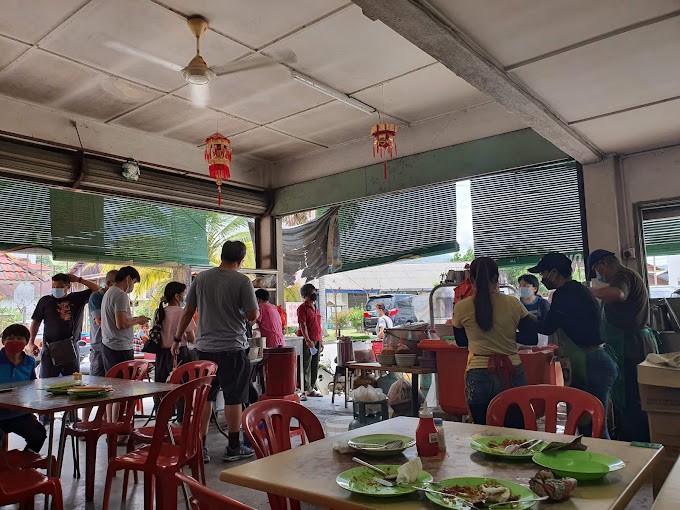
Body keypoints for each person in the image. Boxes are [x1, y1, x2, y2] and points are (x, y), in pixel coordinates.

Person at [174, 241, 258, 463]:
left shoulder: (201, 279)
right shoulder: (242, 281)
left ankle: (200, 448)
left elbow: (188, 311)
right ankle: (233, 447)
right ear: (240, 260)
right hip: (233, 348)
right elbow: (252, 315)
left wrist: (176, 339)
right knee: (234, 398)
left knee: (205, 397)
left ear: (221, 256)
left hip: (204, 351)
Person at [529, 252, 619, 439]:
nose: (542, 278)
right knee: (585, 423)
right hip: (597, 361)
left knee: (593, 427)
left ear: (554, 273)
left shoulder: (564, 294)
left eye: (543, 274)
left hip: (592, 364)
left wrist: (524, 316)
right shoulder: (579, 290)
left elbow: (547, 327)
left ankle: (605, 465)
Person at [452, 257, 537, 426]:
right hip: (512, 371)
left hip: (478, 373)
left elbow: (461, 342)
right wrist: (508, 336)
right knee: (516, 432)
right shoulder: (513, 303)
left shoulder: (461, 307)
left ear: (471, 279)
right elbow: (531, 338)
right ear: (496, 278)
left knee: (483, 432)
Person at [588, 249, 656, 442]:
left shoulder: (622, 276)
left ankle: (637, 441)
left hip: (631, 346)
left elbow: (618, 294)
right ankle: (629, 436)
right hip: (625, 345)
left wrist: (589, 291)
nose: (599, 276)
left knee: (632, 396)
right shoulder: (624, 276)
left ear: (604, 264)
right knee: (626, 398)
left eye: (597, 271)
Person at [29, 272, 100, 378]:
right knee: (46, 382)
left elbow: (97, 289)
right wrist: (31, 342)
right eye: (54, 286)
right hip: (49, 348)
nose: (57, 289)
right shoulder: (45, 301)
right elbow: (36, 322)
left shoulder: (77, 298)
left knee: (72, 382)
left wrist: (79, 280)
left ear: (68, 286)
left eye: (60, 287)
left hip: (71, 347)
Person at [0, 324, 46, 453]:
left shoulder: (30, 362)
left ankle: (21, 467)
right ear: (3, 341)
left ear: (26, 342)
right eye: (10, 338)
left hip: (19, 413)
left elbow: (32, 387)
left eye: (20, 338)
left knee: (38, 434)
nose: (15, 341)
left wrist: (31, 412)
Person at [154, 281, 195, 421]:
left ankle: (162, 417)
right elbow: (191, 337)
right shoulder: (183, 312)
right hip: (179, 353)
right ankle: (181, 419)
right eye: (183, 293)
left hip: (161, 355)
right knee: (182, 387)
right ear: (177, 296)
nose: (185, 296)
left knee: (160, 387)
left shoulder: (159, 311)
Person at [100, 266, 149, 373]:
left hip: (109, 345)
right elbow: (121, 324)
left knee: (113, 383)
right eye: (134, 282)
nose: (133, 286)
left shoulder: (109, 292)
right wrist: (138, 320)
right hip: (119, 348)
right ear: (128, 279)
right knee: (124, 385)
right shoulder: (121, 294)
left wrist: (135, 319)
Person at [88, 270, 118, 377]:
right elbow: (100, 321)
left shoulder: (117, 297)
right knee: (97, 382)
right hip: (99, 346)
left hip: (113, 345)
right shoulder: (96, 297)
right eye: (117, 285)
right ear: (109, 283)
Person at [297, 283, 323, 400]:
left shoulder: (316, 307)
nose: (314, 295)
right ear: (306, 295)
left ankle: (311, 387)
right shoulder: (302, 308)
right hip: (307, 340)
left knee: (314, 364)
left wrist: (321, 341)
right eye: (312, 293)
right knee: (305, 365)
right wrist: (307, 339)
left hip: (316, 338)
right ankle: (305, 389)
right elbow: (303, 325)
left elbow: (318, 324)